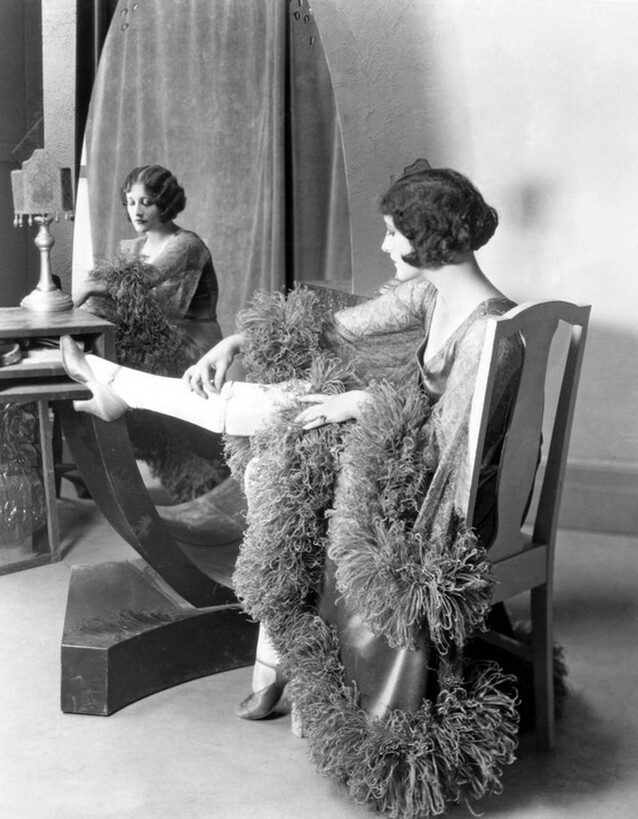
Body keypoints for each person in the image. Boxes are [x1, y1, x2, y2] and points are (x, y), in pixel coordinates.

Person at [59, 164, 525, 817]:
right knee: (277, 431)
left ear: (429, 237)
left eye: (394, 234)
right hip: (396, 458)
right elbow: (342, 324)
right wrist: (239, 339)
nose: (386, 245)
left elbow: (449, 454)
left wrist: (362, 403)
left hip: (421, 500)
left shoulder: (485, 333)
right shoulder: (434, 295)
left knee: (276, 448)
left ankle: (118, 389)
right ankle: (121, 390)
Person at [75, 164, 225, 500]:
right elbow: (124, 299)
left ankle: (185, 471)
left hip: (192, 343)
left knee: (113, 374)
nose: (137, 211)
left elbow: (144, 280)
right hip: (153, 336)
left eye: (147, 202)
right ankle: (104, 463)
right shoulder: (135, 246)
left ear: (166, 203)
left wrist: (86, 289)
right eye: (131, 202)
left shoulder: (187, 244)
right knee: (97, 364)